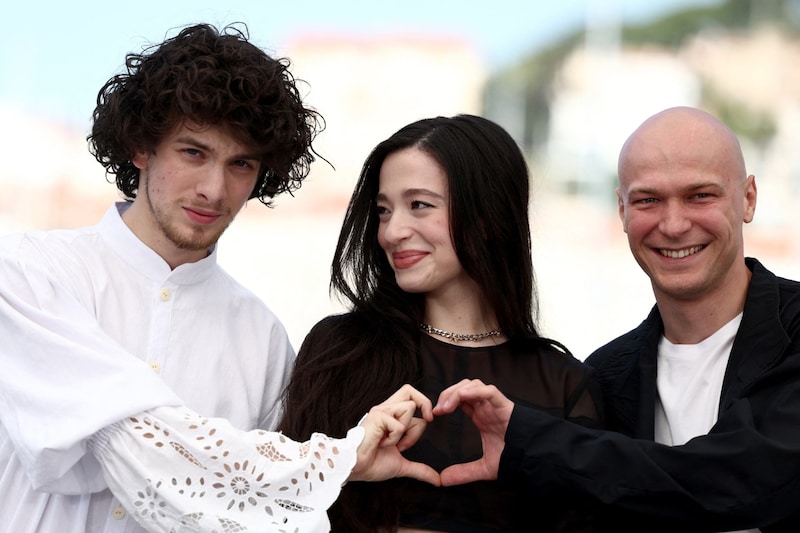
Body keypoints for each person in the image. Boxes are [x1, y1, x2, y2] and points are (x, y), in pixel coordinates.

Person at [0, 23, 437, 533]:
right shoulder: (31, 274)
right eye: (193, 152)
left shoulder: (264, 338)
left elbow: (260, 515)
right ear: (141, 147)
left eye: (240, 163)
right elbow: (135, 440)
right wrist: (337, 460)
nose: (214, 188)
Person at [433, 106, 800, 532]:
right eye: (648, 200)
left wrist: (530, 442)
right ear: (622, 210)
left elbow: (742, 479)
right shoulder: (603, 376)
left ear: (748, 198)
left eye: (701, 195)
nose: (674, 224)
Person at [278, 114, 604, 532]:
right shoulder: (340, 349)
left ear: (488, 215)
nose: (392, 231)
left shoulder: (564, 385)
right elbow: (276, 508)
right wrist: (342, 462)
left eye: (419, 205)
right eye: (383, 210)